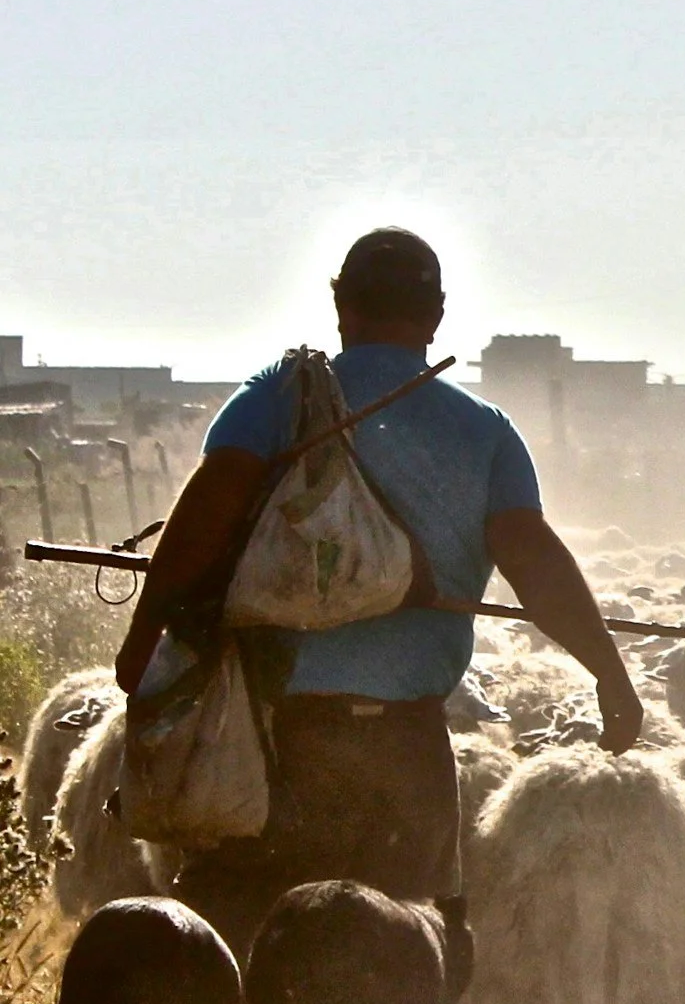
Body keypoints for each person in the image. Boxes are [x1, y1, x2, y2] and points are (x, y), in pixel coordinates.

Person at [114, 226, 644, 958]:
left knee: (228, 954)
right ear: (436, 316)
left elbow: (208, 509)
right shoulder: (484, 431)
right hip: (402, 758)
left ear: (341, 305)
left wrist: (142, 646)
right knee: (417, 962)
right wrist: (608, 672)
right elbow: (534, 558)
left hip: (273, 750)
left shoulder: (279, 400)